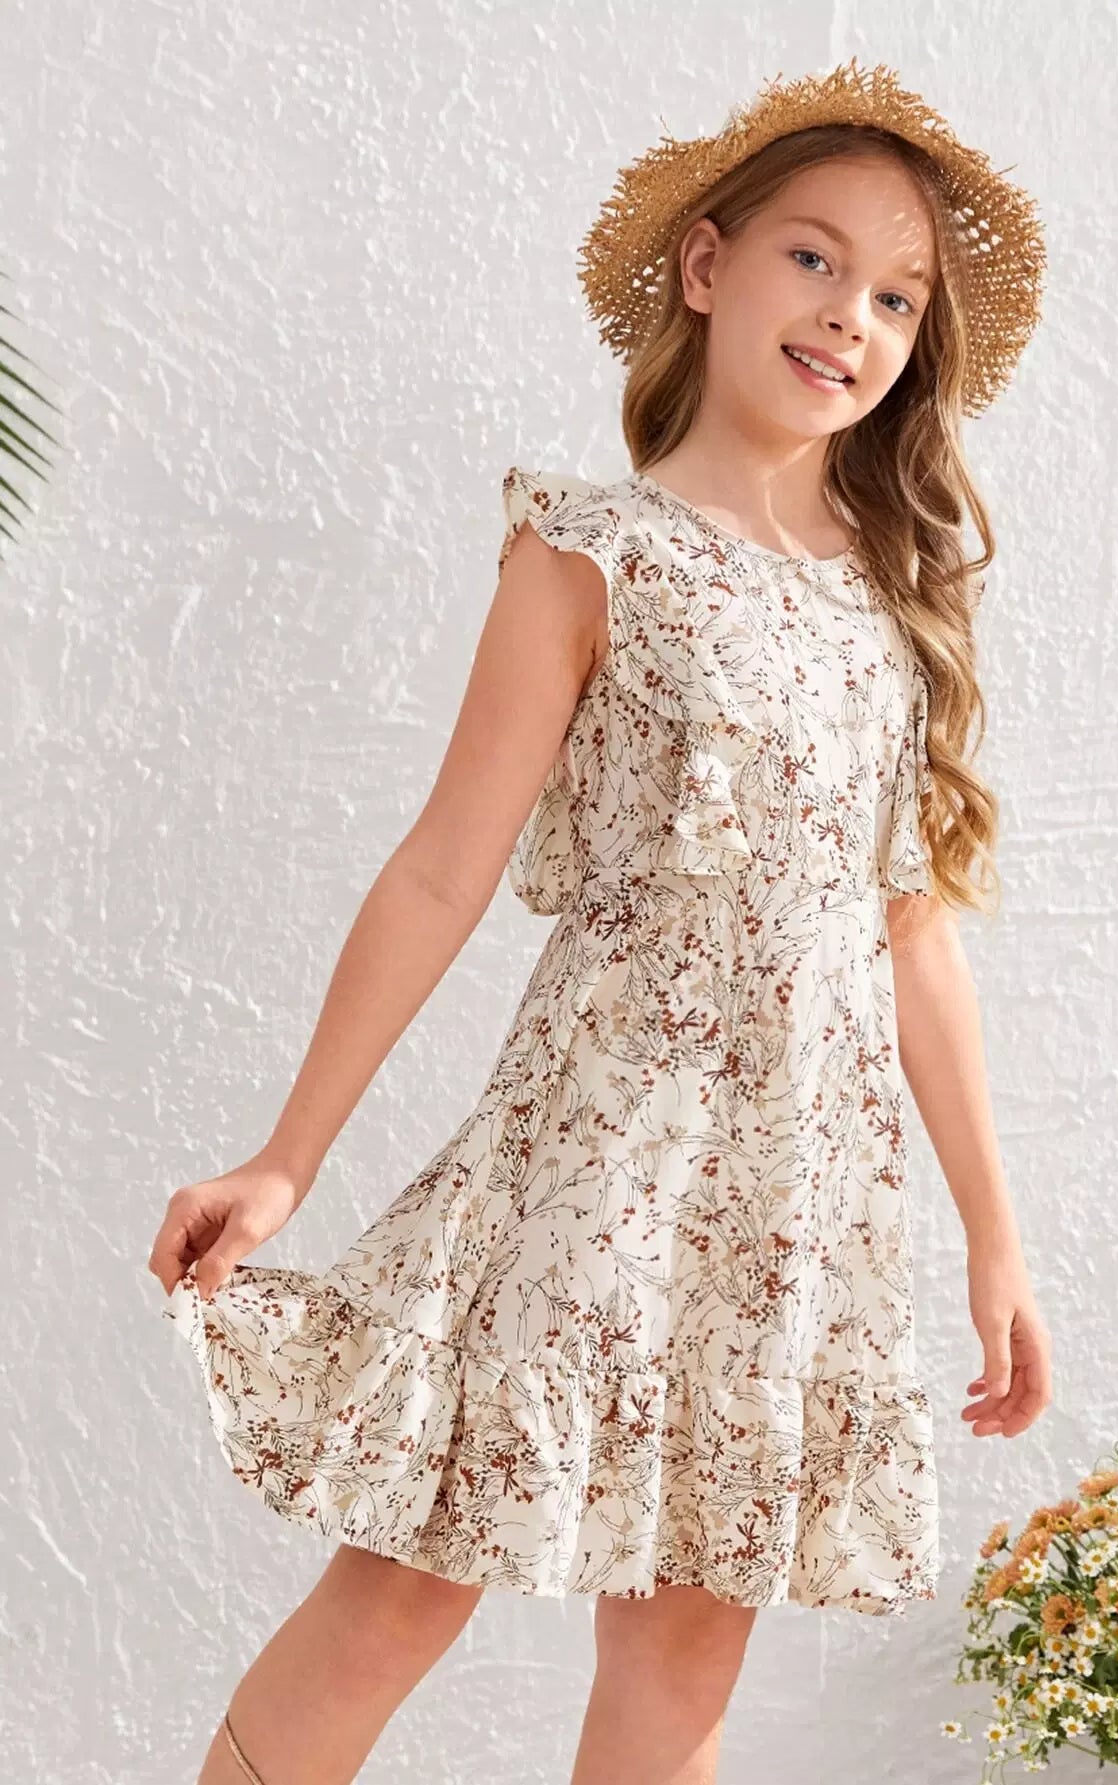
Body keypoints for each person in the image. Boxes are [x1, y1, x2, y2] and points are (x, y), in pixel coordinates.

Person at [147, 58, 1054, 1785]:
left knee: (687, 1650)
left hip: (792, 1189)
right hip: (595, 1146)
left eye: (894, 295)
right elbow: (442, 868)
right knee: (408, 1584)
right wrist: (286, 1157)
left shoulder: (893, 602)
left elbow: (913, 933)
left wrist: (994, 1241)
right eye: (811, 258)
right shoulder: (588, 550)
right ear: (708, 265)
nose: (848, 316)